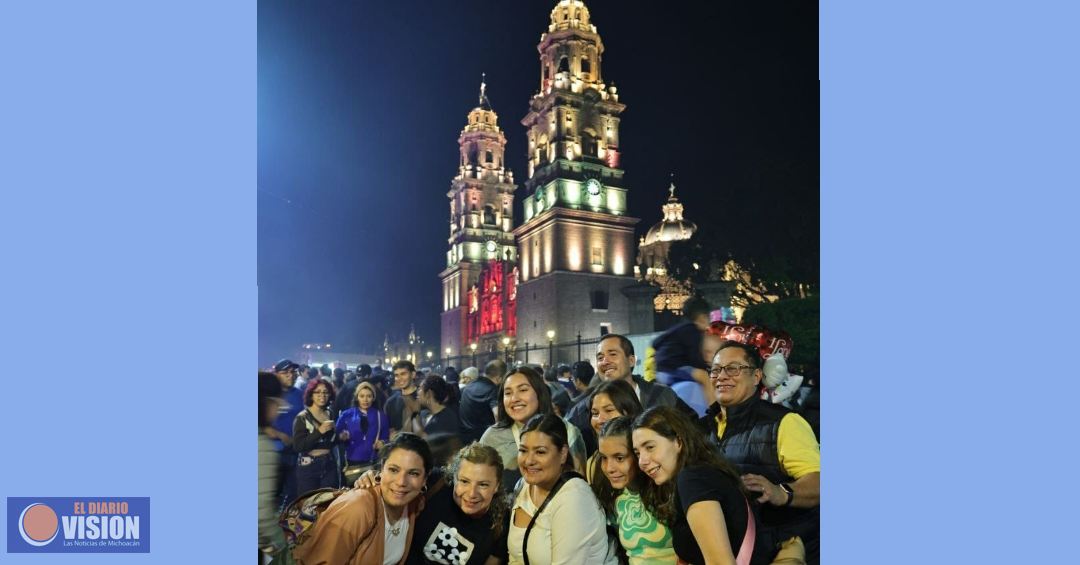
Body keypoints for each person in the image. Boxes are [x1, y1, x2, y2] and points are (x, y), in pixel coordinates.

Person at [703, 341, 820, 564]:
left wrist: (782, 492)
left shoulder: (785, 422)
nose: (722, 376)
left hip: (782, 550)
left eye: (733, 368)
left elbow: (818, 480)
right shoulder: (702, 427)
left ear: (756, 377)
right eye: (716, 370)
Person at [633, 406, 764, 565]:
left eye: (650, 447)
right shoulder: (699, 473)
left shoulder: (693, 479)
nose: (642, 461)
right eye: (638, 453)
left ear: (678, 441)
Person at [357, 442, 510, 565]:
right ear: (454, 477)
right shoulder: (436, 483)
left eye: (483, 485)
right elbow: (398, 483)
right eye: (464, 481)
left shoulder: (502, 523)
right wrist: (373, 477)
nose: (471, 494)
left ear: (496, 486)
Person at [291, 433, 431, 565]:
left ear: (425, 479)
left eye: (413, 473)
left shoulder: (414, 503)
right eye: (393, 470)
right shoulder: (358, 508)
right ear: (382, 468)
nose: (401, 482)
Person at [507, 413, 617, 565]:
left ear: (563, 453)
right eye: (523, 450)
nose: (529, 460)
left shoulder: (574, 497)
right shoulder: (523, 486)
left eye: (540, 452)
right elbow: (515, 558)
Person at [564, 335, 696, 456]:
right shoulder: (582, 409)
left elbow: (694, 431)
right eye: (600, 358)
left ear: (631, 360)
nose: (605, 361)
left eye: (613, 354)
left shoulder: (662, 395)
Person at [480, 366, 587, 486]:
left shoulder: (568, 431)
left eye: (523, 390)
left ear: (539, 393)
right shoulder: (492, 437)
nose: (514, 398)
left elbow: (579, 482)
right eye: (508, 393)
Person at [592, 416, 676, 565]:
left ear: (638, 454)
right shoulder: (615, 498)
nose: (609, 468)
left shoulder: (670, 489)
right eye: (604, 458)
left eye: (619, 458)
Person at [652, 297, 715, 416]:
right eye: (709, 318)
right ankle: (714, 412)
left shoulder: (678, 330)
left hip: (661, 373)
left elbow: (655, 343)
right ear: (703, 317)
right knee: (704, 376)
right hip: (673, 371)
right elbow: (695, 358)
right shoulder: (693, 331)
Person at [584, 379, 643, 482]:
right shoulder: (593, 464)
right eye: (595, 413)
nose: (600, 420)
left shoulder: (650, 459)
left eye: (609, 410)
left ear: (629, 411)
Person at [293, 379, 340, 494]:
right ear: (311, 394)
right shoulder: (302, 417)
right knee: (308, 506)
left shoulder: (330, 413)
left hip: (329, 464)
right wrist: (319, 431)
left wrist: (340, 437)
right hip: (309, 466)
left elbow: (330, 442)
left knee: (327, 505)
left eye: (325, 392)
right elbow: (298, 446)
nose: (322, 395)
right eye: (317, 392)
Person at [268, 359, 304, 507]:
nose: (291, 375)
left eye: (293, 372)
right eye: (285, 373)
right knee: (270, 493)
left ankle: (284, 525)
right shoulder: (269, 394)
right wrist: (281, 436)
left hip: (294, 453)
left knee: (293, 492)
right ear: (276, 375)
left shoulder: (300, 394)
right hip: (273, 453)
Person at [258, 372, 287, 560]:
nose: (278, 411)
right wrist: (284, 550)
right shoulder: (261, 445)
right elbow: (261, 513)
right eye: (277, 403)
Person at [337, 381, 390, 481]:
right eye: (362, 396)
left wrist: (382, 443)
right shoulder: (346, 415)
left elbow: (386, 438)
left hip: (373, 461)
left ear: (373, 398)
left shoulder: (380, 416)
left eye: (369, 396)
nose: (365, 399)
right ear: (357, 397)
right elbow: (336, 436)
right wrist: (341, 436)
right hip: (352, 461)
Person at [459, 360, 505, 444]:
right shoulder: (492, 390)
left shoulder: (469, 386)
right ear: (499, 378)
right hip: (483, 439)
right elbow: (497, 413)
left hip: (465, 438)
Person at [385, 360, 421, 435]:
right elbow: (389, 430)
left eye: (403, 374)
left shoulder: (425, 398)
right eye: (396, 375)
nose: (399, 378)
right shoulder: (391, 402)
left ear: (413, 374)